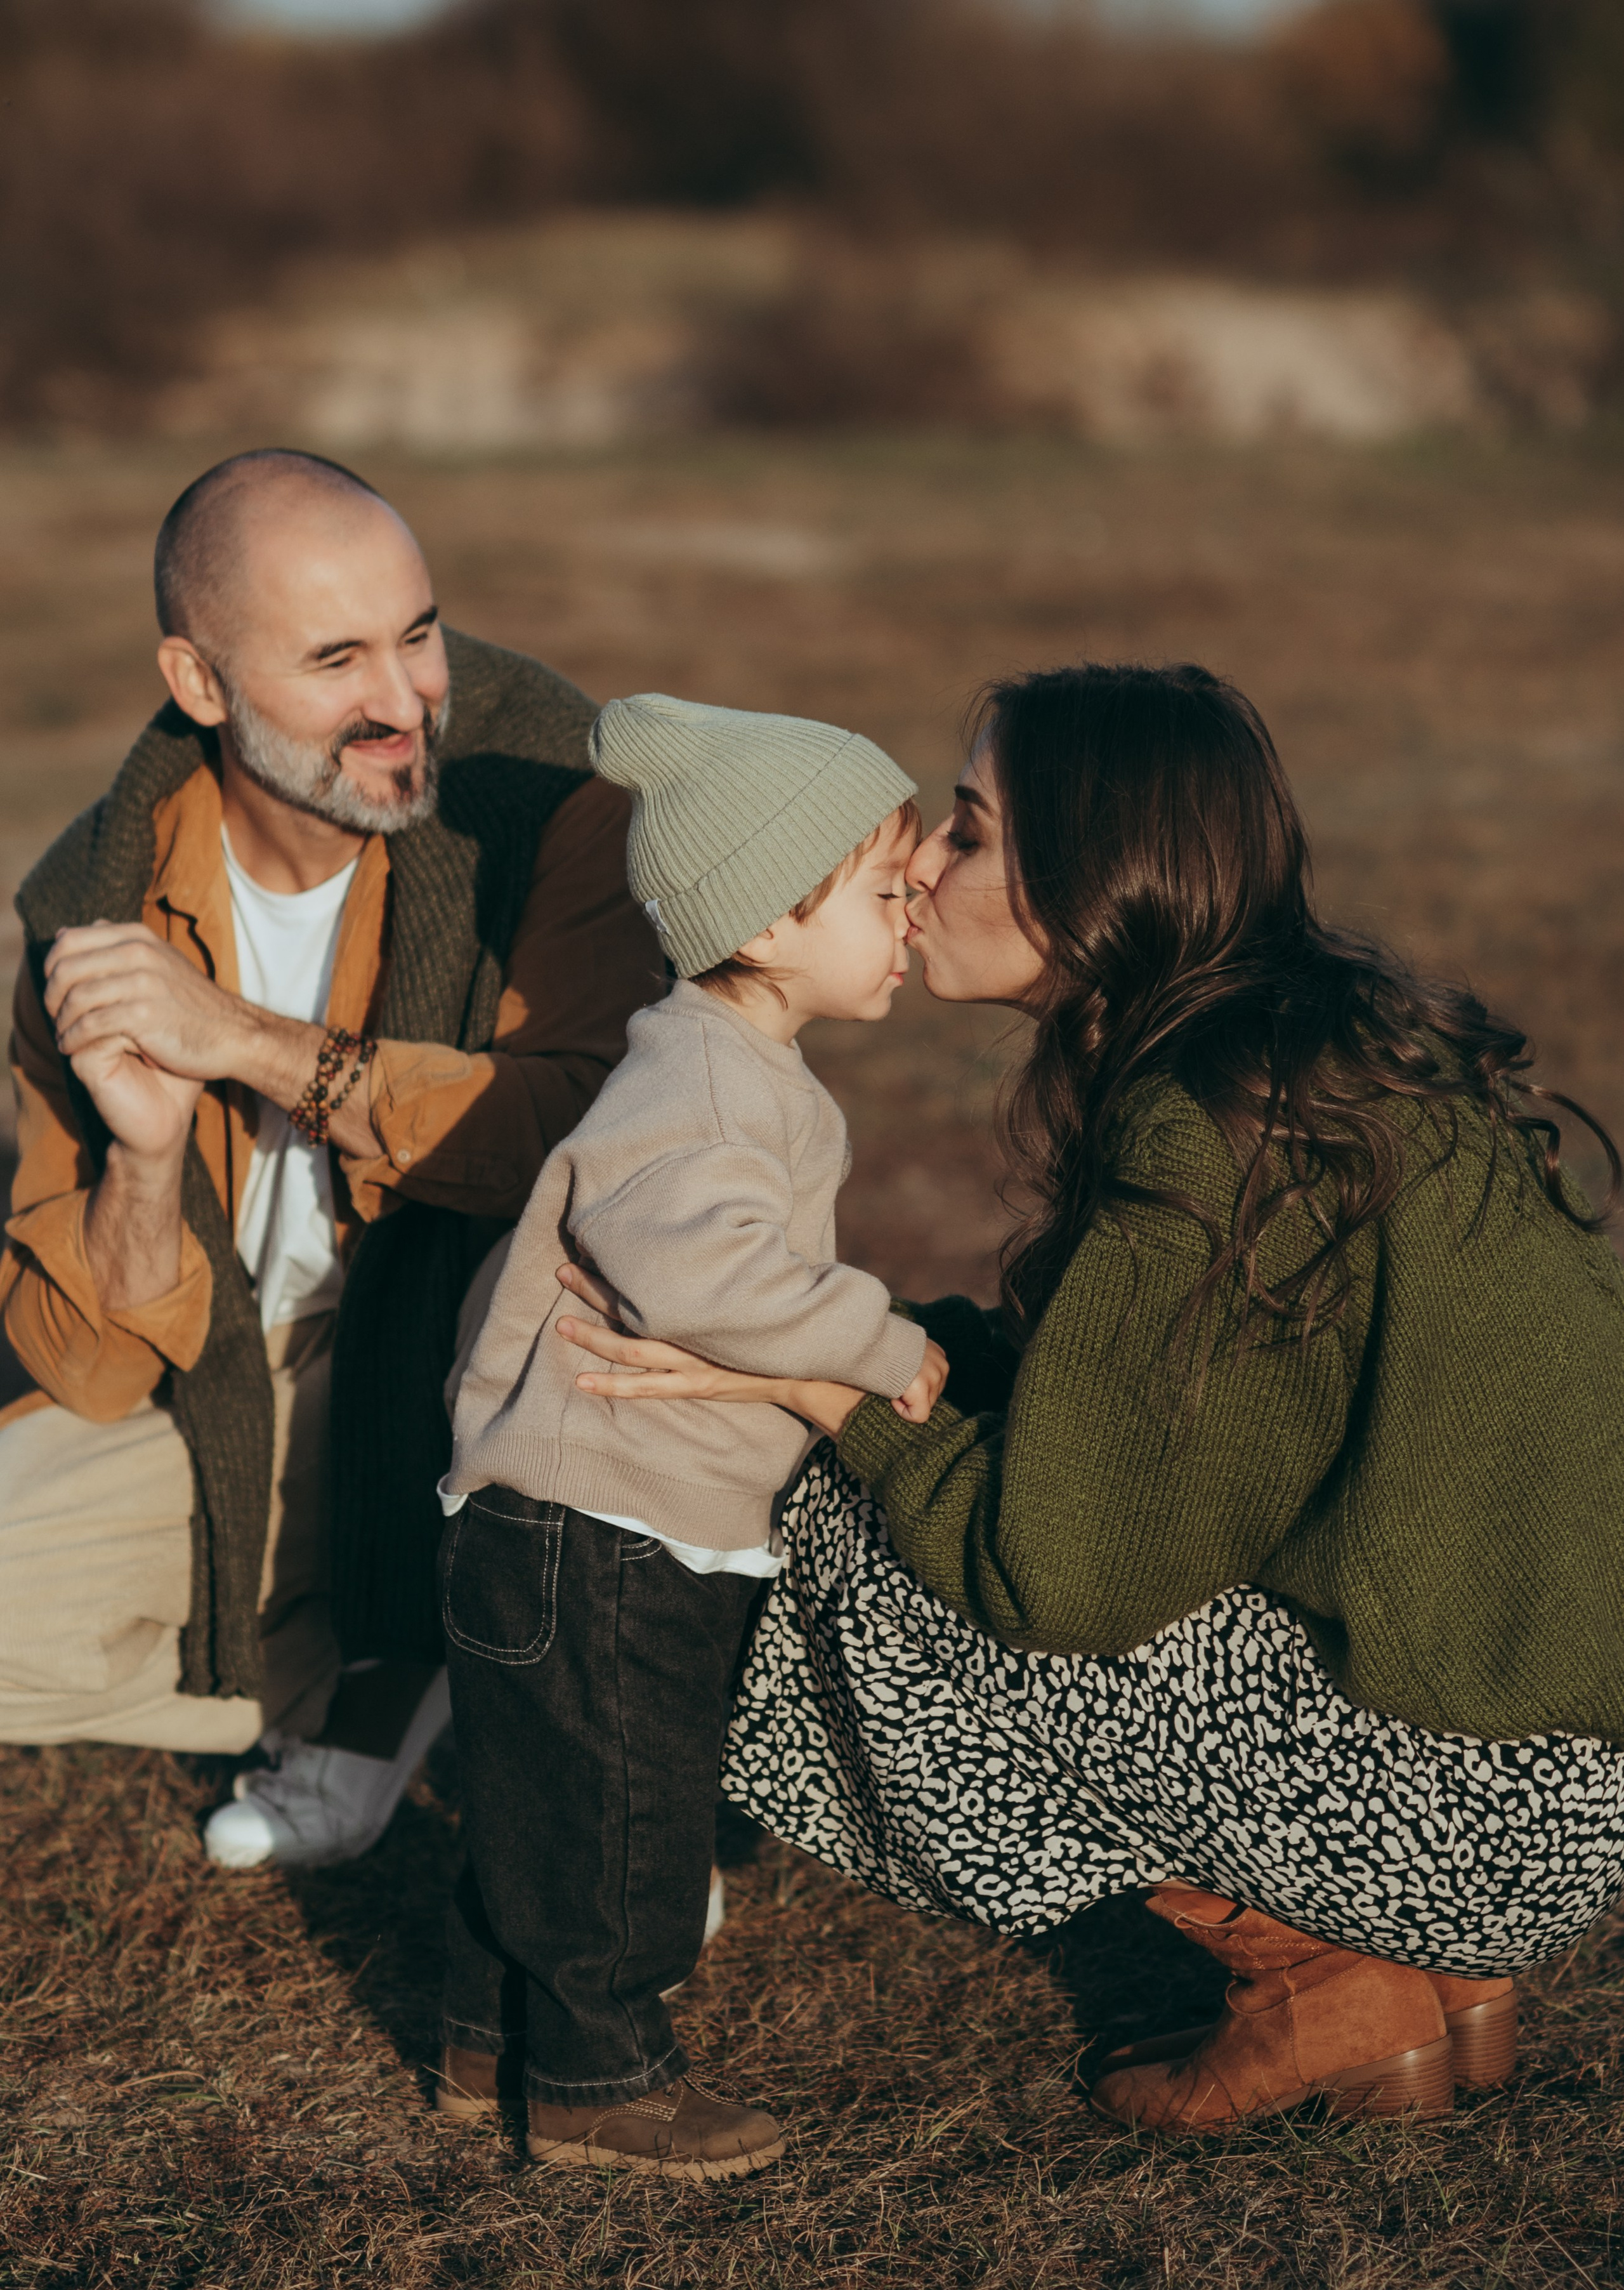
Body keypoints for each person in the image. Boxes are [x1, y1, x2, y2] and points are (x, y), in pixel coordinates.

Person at [555, 660, 1624, 2133]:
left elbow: (1051, 1574)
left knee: (854, 1556)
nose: (918, 864)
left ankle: (1322, 1973)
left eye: (971, 830)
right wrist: (891, 1349)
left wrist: (816, 1388)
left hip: (1476, 1813)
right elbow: (1132, 1428)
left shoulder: (1217, 1127)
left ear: (1093, 875)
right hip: (1554, 1776)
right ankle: (1424, 1978)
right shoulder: (1317, 1051)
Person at [1, 448, 653, 1873]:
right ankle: (378, 1657)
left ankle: (421, 1653)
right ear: (199, 682)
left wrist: (244, 1040)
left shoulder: (548, 786)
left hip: (498, 1347)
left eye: (417, 632)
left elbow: (578, 1128)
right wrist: (143, 1153)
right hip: (244, 1366)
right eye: (334, 657)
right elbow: (93, 1365)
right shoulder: (88, 906)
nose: (404, 698)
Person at [435, 692, 944, 2179]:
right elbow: (702, 1273)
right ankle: (602, 2083)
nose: (909, 916)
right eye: (879, 892)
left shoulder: (725, 1063)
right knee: (622, 1817)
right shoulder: (701, 1076)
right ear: (770, 922)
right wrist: (878, 1338)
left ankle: (488, 2042)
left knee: (544, 1800)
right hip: (595, 1520)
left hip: (594, 1513)